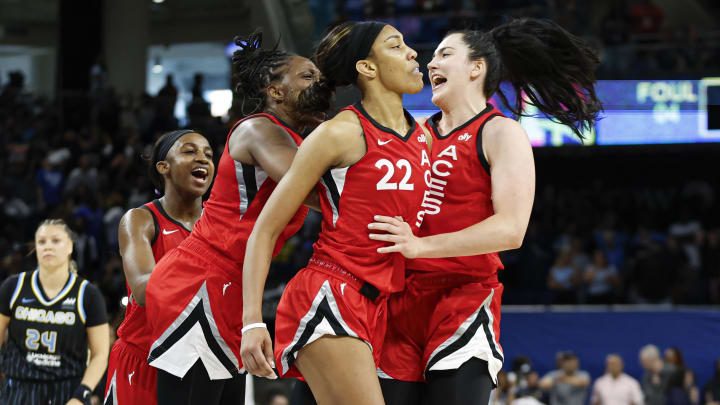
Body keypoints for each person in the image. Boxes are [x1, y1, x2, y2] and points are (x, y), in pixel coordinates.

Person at [367, 18, 601, 404]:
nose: (430, 64)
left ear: (477, 68)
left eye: (445, 54)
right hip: (397, 299)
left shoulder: (500, 132)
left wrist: (421, 247)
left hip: (462, 297)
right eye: (432, 56)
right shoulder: (412, 133)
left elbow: (511, 229)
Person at [241, 21, 429, 405]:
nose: (412, 52)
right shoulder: (338, 134)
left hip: (378, 305)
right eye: (396, 45)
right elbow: (265, 230)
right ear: (368, 68)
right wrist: (252, 320)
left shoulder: (421, 135)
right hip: (332, 295)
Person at [144, 28, 326, 405]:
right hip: (199, 283)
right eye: (308, 75)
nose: (319, 83)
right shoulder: (260, 129)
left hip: (234, 283)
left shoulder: (294, 138)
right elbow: (318, 192)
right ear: (274, 91)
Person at [103, 129, 216, 405]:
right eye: (190, 151)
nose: (202, 158)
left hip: (200, 364)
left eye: (209, 155)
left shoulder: (218, 223)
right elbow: (144, 290)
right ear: (163, 167)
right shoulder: (140, 220)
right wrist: (199, 249)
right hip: (143, 360)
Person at [0, 219, 109, 405]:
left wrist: (82, 394)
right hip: (18, 389)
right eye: (41, 242)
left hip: (68, 390)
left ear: (70, 247)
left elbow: (100, 354)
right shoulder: (13, 287)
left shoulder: (87, 294)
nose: (47, 246)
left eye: (55, 240)